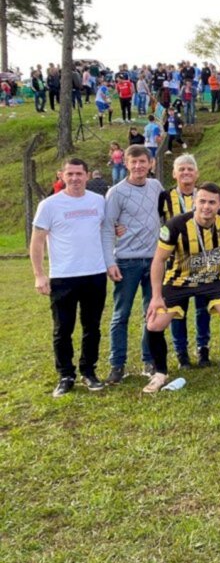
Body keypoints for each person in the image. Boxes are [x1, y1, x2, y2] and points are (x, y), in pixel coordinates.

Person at [143, 183, 220, 393]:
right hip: (179, 282)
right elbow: (158, 261)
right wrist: (156, 296)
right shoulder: (176, 225)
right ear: (194, 202)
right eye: (202, 201)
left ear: (219, 204)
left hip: (212, 280)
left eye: (212, 202)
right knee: (154, 325)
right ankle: (160, 372)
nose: (206, 206)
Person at [30, 158, 116, 397]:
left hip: (95, 275)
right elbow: (37, 241)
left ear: (87, 175)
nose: (75, 178)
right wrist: (39, 274)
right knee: (62, 329)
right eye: (70, 174)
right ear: (61, 175)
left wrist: (116, 235)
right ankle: (66, 375)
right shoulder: (49, 205)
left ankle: (89, 371)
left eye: (79, 174)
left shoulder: (99, 201)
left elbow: (107, 230)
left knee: (92, 327)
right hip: (63, 277)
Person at [102, 145, 162, 384]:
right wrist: (110, 261)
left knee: (152, 312)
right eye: (133, 162)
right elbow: (107, 228)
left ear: (150, 164)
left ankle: (150, 360)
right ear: (125, 164)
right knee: (121, 314)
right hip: (126, 261)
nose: (138, 166)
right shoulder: (116, 193)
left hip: (154, 260)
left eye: (142, 162)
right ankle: (117, 365)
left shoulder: (156, 187)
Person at [158, 154, 211, 368]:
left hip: (203, 262)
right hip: (175, 263)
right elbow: (155, 223)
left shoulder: (207, 195)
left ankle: (203, 350)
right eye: (181, 169)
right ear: (174, 173)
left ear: (197, 173)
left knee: (202, 309)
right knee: (177, 310)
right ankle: (182, 354)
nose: (186, 173)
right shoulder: (164, 197)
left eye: (190, 169)